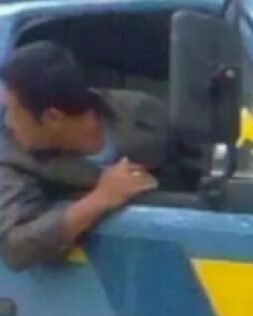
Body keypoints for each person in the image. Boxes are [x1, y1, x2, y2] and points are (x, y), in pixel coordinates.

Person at [0, 41, 179, 271]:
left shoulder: (143, 114)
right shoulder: (13, 156)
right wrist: (100, 199)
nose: (8, 122)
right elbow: (16, 247)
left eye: (14, 113)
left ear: (53, 117)